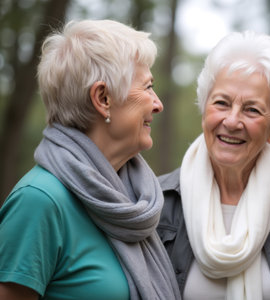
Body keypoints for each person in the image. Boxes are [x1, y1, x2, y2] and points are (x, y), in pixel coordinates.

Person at [0, 19, 181, 300]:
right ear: (103, 98)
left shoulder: (133, 197)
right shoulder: (39, 202)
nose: (158, 103)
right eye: (147, 87)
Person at [156, 31, 270, 300]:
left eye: (252, 109)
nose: (233, 121)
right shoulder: (156, 203)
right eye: (222, 103)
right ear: (204, 112)